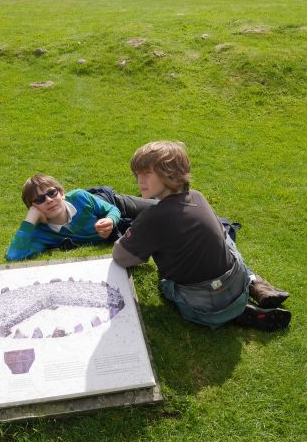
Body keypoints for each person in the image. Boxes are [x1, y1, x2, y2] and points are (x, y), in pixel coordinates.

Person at [112, 141, 291, 331]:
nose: (140, 180)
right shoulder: (197, 196)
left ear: (170, 173)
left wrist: (132, 232)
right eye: (137, 173)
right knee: (225, 235)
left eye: (147, 173)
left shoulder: (153, 218)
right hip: (235, 279)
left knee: (166, 284)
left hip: (200, 302)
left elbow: (121, 256)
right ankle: (254, 283)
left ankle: (233, 313)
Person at [6, 174, 156, 261]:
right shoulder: (42, 234)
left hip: (114, 203)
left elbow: (112, 209)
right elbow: (13, 256)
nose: (49, 200)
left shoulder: (79, 196)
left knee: (161, 207)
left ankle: (161, 191)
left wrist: (110, 220)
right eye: (39, 200)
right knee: (154, 223)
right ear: (33, 208)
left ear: (62, 192)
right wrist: (30, 220)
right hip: (117, 222)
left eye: (52, 193)